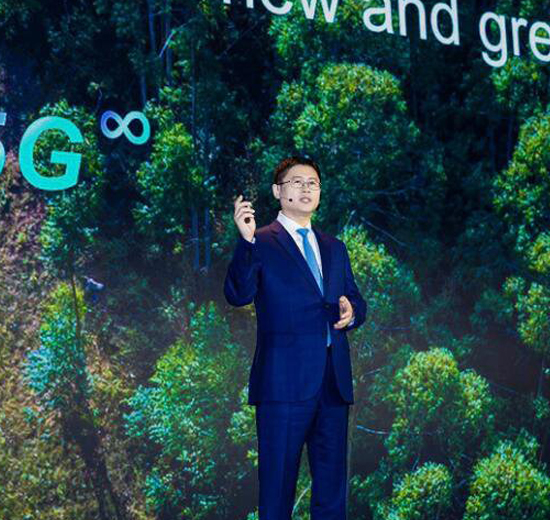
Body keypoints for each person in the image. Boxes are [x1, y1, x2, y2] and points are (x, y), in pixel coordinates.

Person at [224, 155, 367, 519]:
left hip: (333, 384)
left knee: (332, 496)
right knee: (277, 494)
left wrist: (351, 312)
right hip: (282, 387)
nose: (306, 189)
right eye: (297, 182)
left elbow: (356, 301)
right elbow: (237, 294)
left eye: (312, 183)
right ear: (277, 191)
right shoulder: (260, 241)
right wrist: (245, 243)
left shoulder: (335, 248)